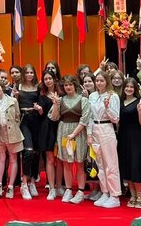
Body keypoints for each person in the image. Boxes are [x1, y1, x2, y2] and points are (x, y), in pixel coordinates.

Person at [49, 75, 90, 204]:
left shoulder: (83, 100)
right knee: (66, 163)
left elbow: (85, 119)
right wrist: (55, 104)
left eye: (70, 84)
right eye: (66, 85)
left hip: (79, 133)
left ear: (75, 85)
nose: (68, 87)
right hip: (64, 133)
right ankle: (68, 189)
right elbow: (54, 117)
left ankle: (81, 191)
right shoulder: (60, 100)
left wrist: (74, 133)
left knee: (79, 163)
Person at [88, 72, 121, 208]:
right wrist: (89, 134)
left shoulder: (113, 96)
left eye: (102, 80)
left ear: (107, 81)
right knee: (100, 164)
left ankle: (115, 195)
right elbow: (90, 116)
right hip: (95, 129)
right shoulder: (92, 96)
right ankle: (105, 192)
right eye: (97, 80)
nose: (99, 83)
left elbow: (115, 118)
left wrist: (107, 107)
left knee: (111, 163)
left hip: (107, 128)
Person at [0, 80, 23, 199]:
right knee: (1, 158)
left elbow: (17, 116)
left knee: (13, 159)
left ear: (1, 87)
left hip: (12, 132)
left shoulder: (13, 101)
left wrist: (13, 127)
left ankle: (11, 186)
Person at [118, 78, 141, 209]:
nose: (129, 89)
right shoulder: (120, 102)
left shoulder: (140, 102)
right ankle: (132, 195)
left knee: (136, 165)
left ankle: (140, 196)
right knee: (127, 165)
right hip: (123, 137)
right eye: (127, 86)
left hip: (136, 137)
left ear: (135, 88)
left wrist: (140, 111)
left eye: (131, 87)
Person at [14, 63, 41, 200]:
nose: (29, 75)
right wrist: (15, 97)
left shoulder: (38, 87)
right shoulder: (18, 86)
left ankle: (32, 182)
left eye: (31, 72)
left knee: (36, 152)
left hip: (36, 119)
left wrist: (39, 109)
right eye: (27, 72)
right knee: (28, 151)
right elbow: (14, 104)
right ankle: (24, 183)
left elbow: (42, 103)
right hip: (24, 119)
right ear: (23, 74)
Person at [37, 68, 59, 200]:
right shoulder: (41, 95)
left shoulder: (61, 93)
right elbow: (41, 114)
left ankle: (61, 186)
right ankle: (51, 188)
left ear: (54, 79)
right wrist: (39, 110)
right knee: (50, 158)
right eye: (45, 79)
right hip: (47, 127)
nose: (48, 81)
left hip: (61, 126)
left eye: (50, 78)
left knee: (61, 159)